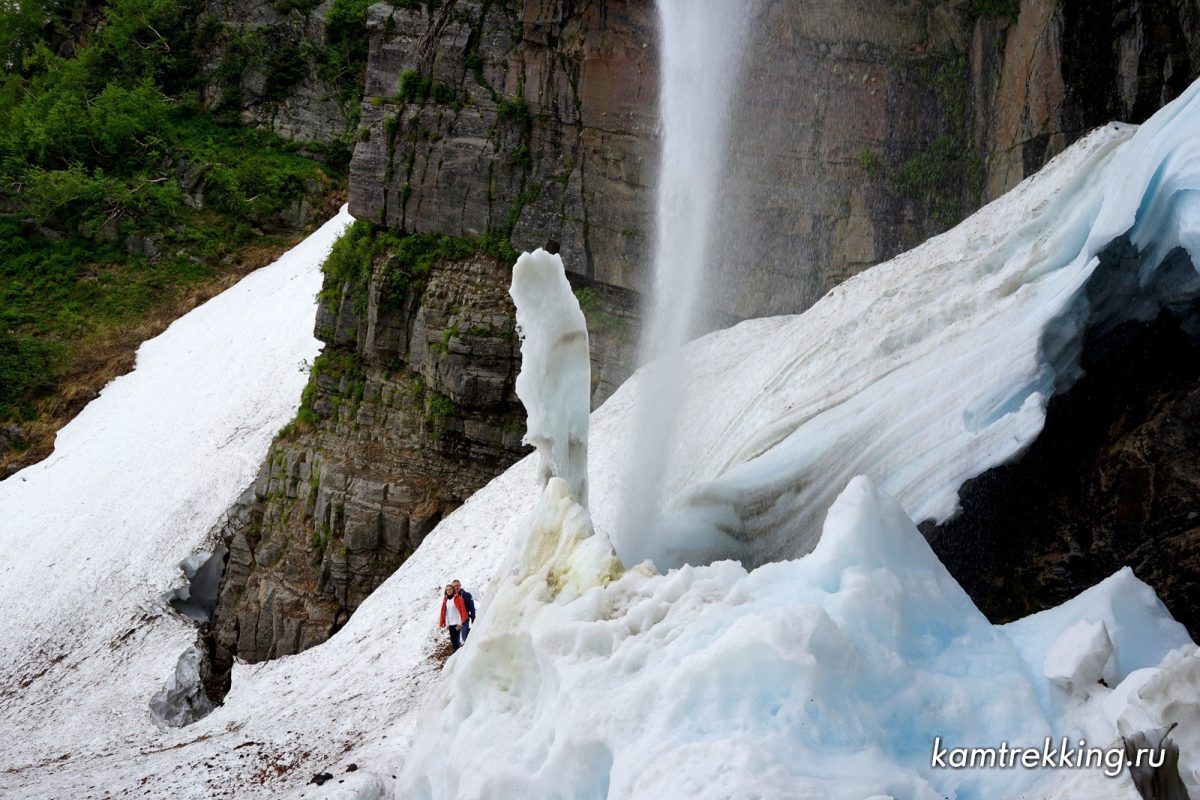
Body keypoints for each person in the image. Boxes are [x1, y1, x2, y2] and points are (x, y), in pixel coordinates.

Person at [438, 583, 469, 650]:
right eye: (447, 590)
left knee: (456, 643)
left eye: (450, 589)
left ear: (453, 590)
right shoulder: (446, 601)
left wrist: (460, 623)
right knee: (453, 642)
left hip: (457, 624)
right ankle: (457, 656)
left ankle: (457, 657)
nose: (449, 591)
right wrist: (447, 624)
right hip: (451, 625)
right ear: (445, 592)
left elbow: (461, 611)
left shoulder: (458, 599)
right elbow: (446, 613)